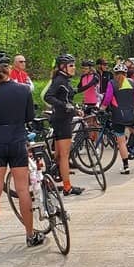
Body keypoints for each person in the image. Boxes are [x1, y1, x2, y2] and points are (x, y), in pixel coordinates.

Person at [0, 51, 41, 248]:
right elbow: (30, 116)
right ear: (10, 69)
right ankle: (30, 235)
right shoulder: (24, 91)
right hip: (17, 141)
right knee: (22, 189)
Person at [44, 53, 84, 196]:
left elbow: (66, 99)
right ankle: (67, 187)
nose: (74, 68)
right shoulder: (60, 80)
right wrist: (64, 106)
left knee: (60, 155)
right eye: (71, 65)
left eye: (74, 65)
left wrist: (74, 109)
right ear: (63, 67)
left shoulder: (64, 80)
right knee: (64, 156)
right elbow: (48, 96)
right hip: (62, 121)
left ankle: (50, 177)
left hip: (62, 118)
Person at [102, 60, 134, 175]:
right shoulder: (132, 82)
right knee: (133, 130)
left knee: (121, 142)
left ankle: (126, 166)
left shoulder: (112, 83)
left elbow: (107, 99)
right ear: (125, 73)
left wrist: (101, 109)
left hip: (118, 116)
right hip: (131, 114)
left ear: (115, 74)